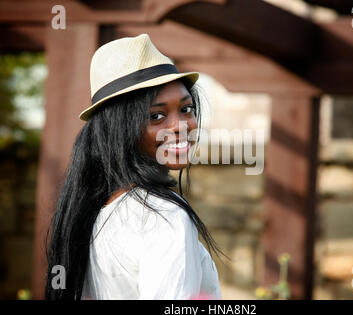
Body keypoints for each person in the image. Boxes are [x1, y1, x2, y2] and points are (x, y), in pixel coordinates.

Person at [45, 34, 225, 300]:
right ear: (121, 128)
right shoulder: (163, 214)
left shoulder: (90, 212)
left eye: (186, 109)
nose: (182, 125)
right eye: (156, 115)